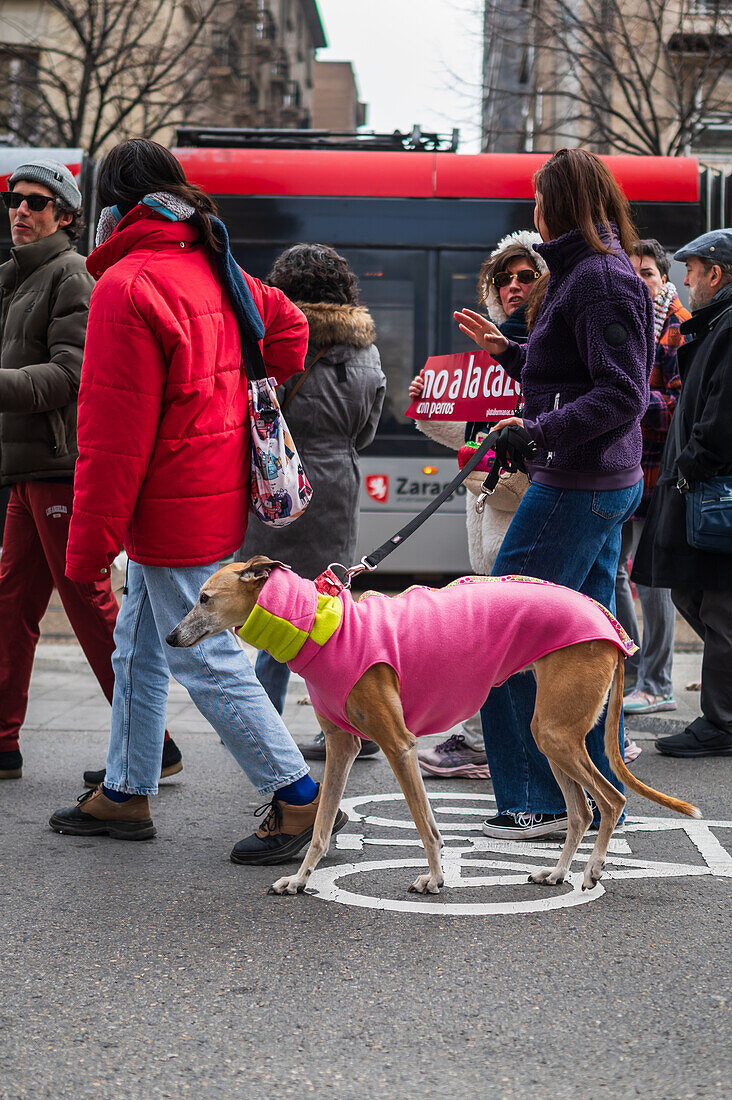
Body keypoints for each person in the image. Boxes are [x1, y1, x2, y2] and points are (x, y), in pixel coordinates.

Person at [50, 139, 341, 865]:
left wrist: (87, 548)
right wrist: (225, 406)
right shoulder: (212, 260)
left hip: (170, 503)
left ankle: (298, 799)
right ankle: (124, 791)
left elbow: (111, 439)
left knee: (206, 662)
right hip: (210, 486)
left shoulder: (128, 284)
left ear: (110, 207)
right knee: (139, 648)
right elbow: (291, 329)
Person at [456, 148, 653, 839]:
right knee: (590, 646)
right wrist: (511, 358)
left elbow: (623, 393)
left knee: (501, 636)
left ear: (558, 205)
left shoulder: (598, 278)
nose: (531, 211)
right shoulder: (581, 273)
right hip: (595, 477)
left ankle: (531, 802)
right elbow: (577, 370)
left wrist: (535, 433)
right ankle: (591, 792)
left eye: (539, 199)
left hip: (580, 482)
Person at [0, 159, 180, 784]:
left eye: (36, 203)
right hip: (25, 468)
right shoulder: (14, 280)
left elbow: (71, 377)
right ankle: (2, 742)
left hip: (59, 464)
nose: (20, 211)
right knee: (10, 605)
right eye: (14, 201)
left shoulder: (71, 275)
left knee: (88, 604)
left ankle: (152, 743)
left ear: (67, 217)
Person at [408, 231, 546, 780]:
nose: (514, 287)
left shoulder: (547, 345)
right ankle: (497, 744)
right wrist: (429, 405)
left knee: (517, 633)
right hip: (487, 505)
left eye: (527, 276)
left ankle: (528, 748)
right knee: (503, 630)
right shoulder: (484, 356)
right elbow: (472, 434)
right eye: (504, 278)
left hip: (529, 504)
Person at [239, 243, 386, 760]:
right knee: (328, 609)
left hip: (275, 485)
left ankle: (264, 728)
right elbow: (366, 431)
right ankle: (355, 726)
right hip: (335, 487)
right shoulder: (365, 350)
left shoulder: (266, 338)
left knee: (270, 605)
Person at [632, 228, 732, 759]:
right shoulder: (714, 325)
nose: (684, 282)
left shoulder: (727, 326)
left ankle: (721, 722)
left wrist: (688, 467)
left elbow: (720, 418)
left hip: (707, 488)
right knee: (696, 596)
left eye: (691, 272)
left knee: (715, 605)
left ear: (715, 274)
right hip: (696, 483)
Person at [614, 239, 690, 732]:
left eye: (648, 273)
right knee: (615, 570)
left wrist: (626, 398)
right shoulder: (626, 321)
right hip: (621, 464)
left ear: (664, 279)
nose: (640, 281)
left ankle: (658, 684)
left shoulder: (678, 327)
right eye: (633, 273)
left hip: (659, 469)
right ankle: (635, 672)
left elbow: (681, 404)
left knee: (651, 577)